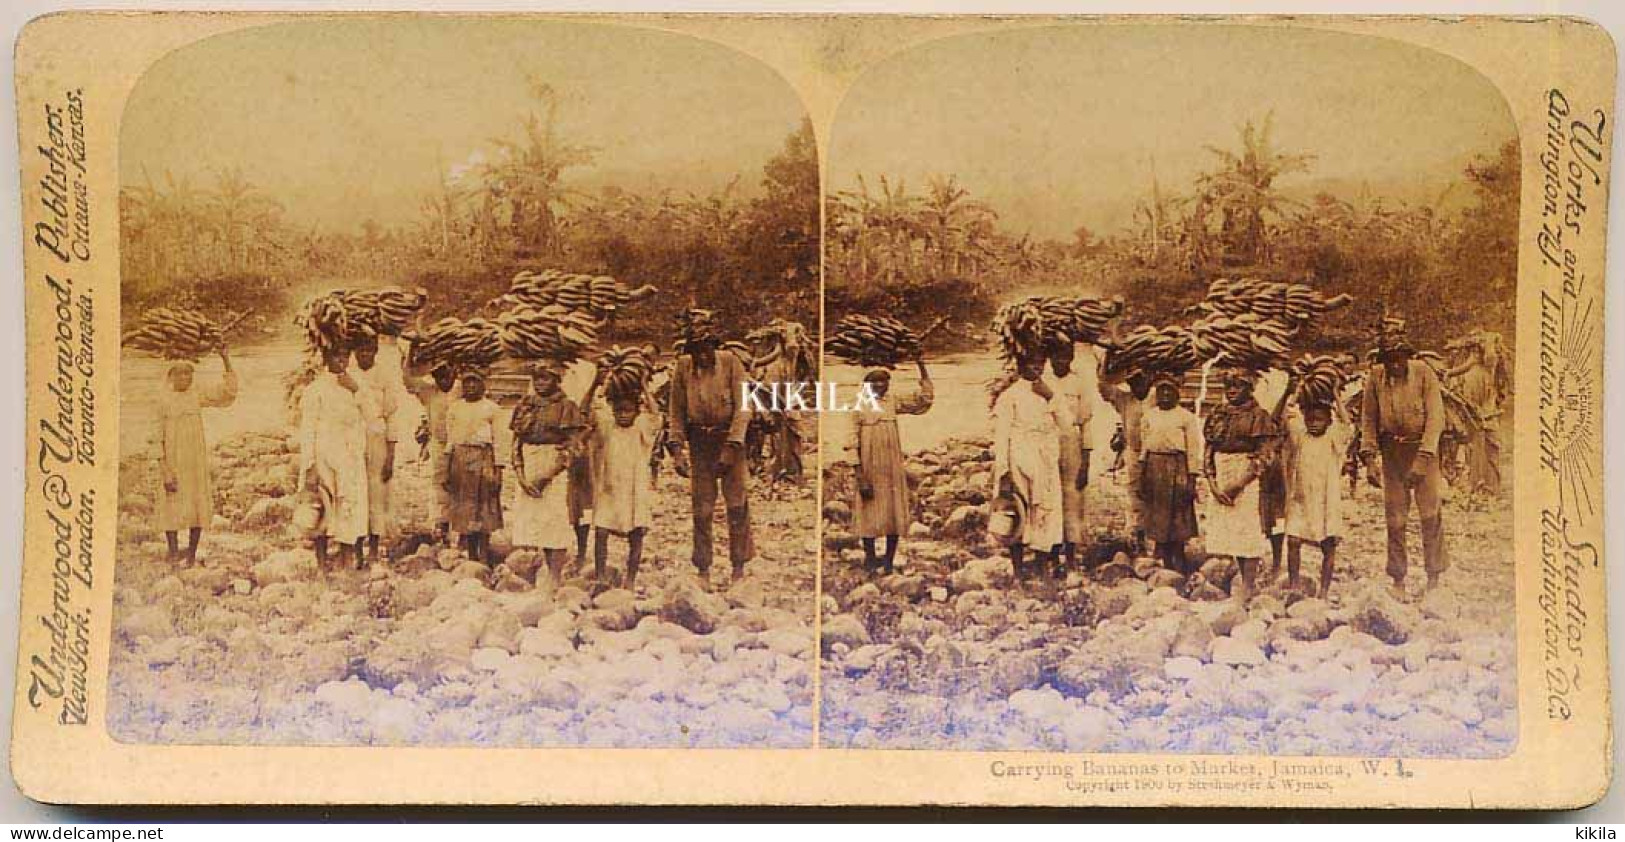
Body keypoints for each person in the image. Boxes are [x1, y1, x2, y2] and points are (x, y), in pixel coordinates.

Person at [1360, 320, 1448, 597]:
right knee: (1395, 517)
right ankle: (1398, 578)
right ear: (1383, 360)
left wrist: (1423, 459)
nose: (1395, 365)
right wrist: (1370, 458)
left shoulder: (1424, 374)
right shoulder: (1376, 377)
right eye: (1389, 360)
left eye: (1399, 359)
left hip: (1422, 449)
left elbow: (1436, 418)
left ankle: (1434, 575)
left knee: (1429, 513)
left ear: (1407, 357)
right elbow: (1368, 418)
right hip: (1392, 452)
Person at [666, 309, 754, 583]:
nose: (702, 356)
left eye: (706, 350)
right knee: (701, 508)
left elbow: (743, 407)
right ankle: (703, 567)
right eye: (696, 351)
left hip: (728, 439)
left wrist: (733, 445)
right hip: (700, 443)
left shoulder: (731, 363)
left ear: (714, 346)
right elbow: (676, 410)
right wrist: (677, 449)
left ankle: (738, 564)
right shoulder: (683, 367)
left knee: (737, 505)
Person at [1202, 368, 1284, 601]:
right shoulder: (1219, 413)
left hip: (1247, 476)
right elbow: (1208, 447)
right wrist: (1212, 481)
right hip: (1221, 471)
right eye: (1228, 386)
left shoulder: (1259, 416)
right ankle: (1241, 577)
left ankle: (1249, 584)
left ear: (1249, 389)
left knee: (1248, 528)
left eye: (1237, 386)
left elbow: (1265, 456)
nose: (1232, 390)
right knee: (1232, 531)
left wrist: (1240, 483)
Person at [154, 347, 239, 565]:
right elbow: (156, 439)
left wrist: (226, 359)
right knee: (171, 504)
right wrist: (164, 470)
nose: (185, 378)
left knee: (197, 503)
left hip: (195, 461)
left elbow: (227, 394)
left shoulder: (196, 394)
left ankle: (191, 554)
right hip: (173, 461)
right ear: (170, 376)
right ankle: (173, 553)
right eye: (180, 373)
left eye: (189, 373)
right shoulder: (163, 401)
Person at [852, 358, 934, 575]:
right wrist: (860, 475)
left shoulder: (892, 401)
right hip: (870, 465)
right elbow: (850, 442)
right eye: (875, 381)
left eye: (884, 380)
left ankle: (888, 561)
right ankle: (870, 559)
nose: (880, 385)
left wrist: (922, 368)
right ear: (867, 384)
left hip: (891, 465)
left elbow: (923, 403)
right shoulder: (859, 405)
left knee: (893, 510)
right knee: (869, 510)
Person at [581, 370, 662, 589]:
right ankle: (600, 575)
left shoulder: (641, 429)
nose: (623, 415)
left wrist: (644, 387)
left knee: (636, 534)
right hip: (610, 488)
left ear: (637, 411)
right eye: (618, 410)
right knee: (601, 531)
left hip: (634, 490)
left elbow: (655, 416)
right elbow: (586, 413)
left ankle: (630, 578)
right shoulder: (608, 428)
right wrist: (596, 384)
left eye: (628, 410)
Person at [509, 359, 585, 581]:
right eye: (537, 378)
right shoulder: (526, 405)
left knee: (554, 519)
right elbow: (515, 442)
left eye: (546, 378)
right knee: (532, 521)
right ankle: (533, 572)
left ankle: (555, 575)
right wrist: (521, 475)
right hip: (528, 462)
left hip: (553, 466)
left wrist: (548, 475)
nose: (540, 383)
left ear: (556, 380)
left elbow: (572, 447)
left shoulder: (566, 406)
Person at [991, 351, 1064, 581]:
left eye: (1041, 364)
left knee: (1045, 511)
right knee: (1018, 510)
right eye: (1032, 364)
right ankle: (1018, 569)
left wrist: (1051, 397)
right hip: (1019, 457)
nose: (1037, 369)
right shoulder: (1010, 396)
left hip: (1045, 459)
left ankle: (1042, 565)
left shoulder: (1048, 391)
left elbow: (1067, 423)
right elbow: (1002, 436)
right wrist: (1003, 471)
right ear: (1021, 366)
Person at [1279, 387, 1354, 598]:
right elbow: (1287, 415)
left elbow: (1346, 425)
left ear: (1328, 422)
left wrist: (1336, 395)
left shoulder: (1333, 440)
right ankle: (1294, 585)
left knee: (1328, 545)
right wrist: (1296, 388)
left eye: (1319, 419)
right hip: (1301, 499)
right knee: (1293, 541)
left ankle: (1323, 590)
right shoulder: (1300, 438)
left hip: (1325, 501)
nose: (1313, 423)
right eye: (1310, 419)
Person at [298, 346, 369, 569]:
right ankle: (321, 562)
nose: (341, 361)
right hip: (324, 452)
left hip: (349, 455)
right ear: (327, 358)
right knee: (323, 504)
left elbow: (371, 416)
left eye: (345, 356)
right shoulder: (316, 389)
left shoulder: (354, 386)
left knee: (349, 505)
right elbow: (308, 428)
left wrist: (357, 390)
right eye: (337, 356)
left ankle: (346, 559)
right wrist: (309, 464)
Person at [1137, 375, 1202, 575]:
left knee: (1179, 511)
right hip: (1154, 466)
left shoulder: (1186, 417)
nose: (1165, 395)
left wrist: (1191, 479)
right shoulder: (1149, 415)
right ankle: (1162, 556)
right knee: (1157, 512)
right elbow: (1144, 447)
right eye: (1161, 390)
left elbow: (1193, 449)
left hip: (1177, 466)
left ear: (1177, 393)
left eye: (1169, 390)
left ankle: (1179, 556)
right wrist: (1142, 474)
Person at [351, 333, 402, 563]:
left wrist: (391, 455)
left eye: (369, 350)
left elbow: (391, 417)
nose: (364, 355)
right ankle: (354, 547)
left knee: (376, 493)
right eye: (360, 350)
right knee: (354, 491)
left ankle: (373, 547)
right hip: (351, 440)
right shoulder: (347, 375)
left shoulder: (385, 377)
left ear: (375, 351)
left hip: (377, 438)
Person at [444, 370, 504, 562]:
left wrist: (498, 471)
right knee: (465, 508)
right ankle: (471, 554)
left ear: (483, 384)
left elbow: (499, 441)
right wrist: (447, 470)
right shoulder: (455, 408)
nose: (470, 387)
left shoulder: (492, 409)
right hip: (460, 458)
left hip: (483, 458)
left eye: (475, 382)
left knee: (484, 505)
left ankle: (484, 553)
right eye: (467, 382)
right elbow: (451, 441)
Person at [1046, 340, 1094, 570]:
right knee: (1049, 496)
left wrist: (1086, 461)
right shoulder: (1041, 381)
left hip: (1071, 443)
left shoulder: (1079, 383)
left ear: (1072, 357)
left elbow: (1087, 424)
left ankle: (1072, 553)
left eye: (1065, 356)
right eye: (1056, 356)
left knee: (1073, 497)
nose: (1060, 361)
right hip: (1046, 443)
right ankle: (1051, 552)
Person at [1445, 335, 1503, 496]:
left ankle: (1482, 486)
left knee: (1481, 452)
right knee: (1486, 453)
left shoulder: (1476, 374)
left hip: (1481, 419)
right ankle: (1487, 487)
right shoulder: (1484, 373)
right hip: (1485, 418)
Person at [1102, 372, 1152, 552]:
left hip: (1155, 454)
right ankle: (1137, 538)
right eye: (1134, 383)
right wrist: (1105, 365)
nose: (1138, 387)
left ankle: (1156, 541)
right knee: (1134, 494)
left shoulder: (1157, 396)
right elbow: (1104, 389)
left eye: (1141, 381)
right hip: (1133, 452)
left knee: (1154, 495)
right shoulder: (1124, 399)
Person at [413, 364, 457, 544]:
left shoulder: (462, 390)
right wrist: (412, 353)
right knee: (439, 484)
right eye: (440, 378)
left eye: (447, 377)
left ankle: (461, 530)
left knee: (460, 484)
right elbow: (408, 380)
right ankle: (441, 525)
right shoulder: (429, 393)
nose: (444, 381)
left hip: (461, 444)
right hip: (439, 443)